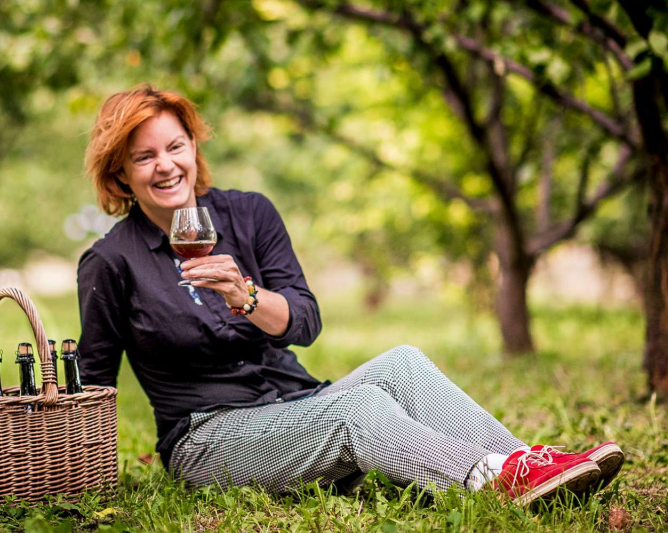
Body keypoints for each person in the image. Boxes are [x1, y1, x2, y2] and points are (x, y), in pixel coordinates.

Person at [77, 84, 623, 506]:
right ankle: (494, 481)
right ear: (121, 175)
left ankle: (531, 464)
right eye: (144, 157)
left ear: (193, 148)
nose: (167, 164)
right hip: (209, 437)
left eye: (176, 146)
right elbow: (95, 380)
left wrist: (244, 296)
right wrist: (85, 479)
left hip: (297, 401)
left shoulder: (248, 213)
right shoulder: (110, 262)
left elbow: (306, 324)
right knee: (360, 407)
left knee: (403, 363)